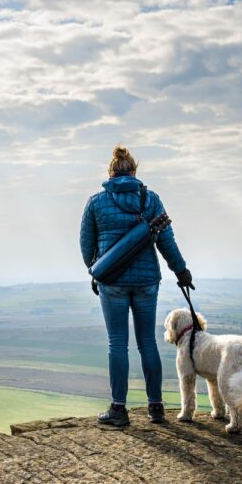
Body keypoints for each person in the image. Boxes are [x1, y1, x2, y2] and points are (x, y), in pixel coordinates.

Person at [79, 145, 192, 427]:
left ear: (111, 172)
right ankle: (156, 407)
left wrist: (97, 269)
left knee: (117, 343)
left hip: (112, 282)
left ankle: (119, 409)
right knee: (147, 342)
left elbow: (86, 245)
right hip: (146, 282)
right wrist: (181, 271)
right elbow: (166, 240)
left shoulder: (96, 202)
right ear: (134, 171)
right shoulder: (151, 199)